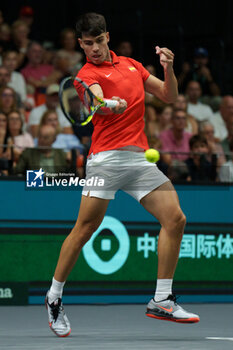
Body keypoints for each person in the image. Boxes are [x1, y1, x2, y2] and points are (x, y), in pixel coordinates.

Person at [45, 12, 199, 338]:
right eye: (87, 44)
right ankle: (54, 296)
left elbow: (169, 96)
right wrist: (106, 103)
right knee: (84, 228)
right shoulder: (84, 74)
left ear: (107, 37)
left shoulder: (132, 65)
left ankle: (162, 299)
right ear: (81, 44)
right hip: (105, 161)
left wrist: (169, 68)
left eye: (98, 42)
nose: (94, 49)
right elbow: (95, 98)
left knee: (175, 219)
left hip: (139, 160)